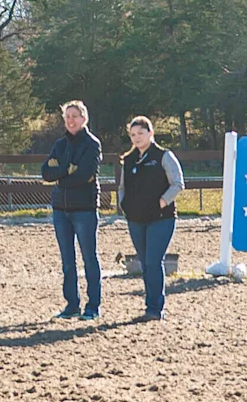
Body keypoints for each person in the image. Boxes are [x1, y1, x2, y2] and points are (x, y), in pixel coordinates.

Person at [40, 100, 102, 320]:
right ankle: (71, 304)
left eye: (74, 116)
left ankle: (93, 306)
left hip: (84, 209)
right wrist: (67, 170)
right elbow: (46, 172)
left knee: (89, 258)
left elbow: (84, 174)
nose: (70, 120)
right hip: (60, 210)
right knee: (67, 260)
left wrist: (61, 175)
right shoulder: (60, 144)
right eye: (67, 116)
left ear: (83, 118)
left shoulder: (92, 144)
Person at [118, 116, 183, 323]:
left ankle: (155, 308)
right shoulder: (128, 160)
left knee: (154, 261)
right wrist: (124, 206)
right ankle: (149, 304)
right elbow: (122, 187)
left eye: (140, 133)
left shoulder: (164, 156)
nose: (137, 138)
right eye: (133, 135)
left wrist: (161, 202)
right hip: (136, 219)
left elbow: (178, 183)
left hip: (160, 219)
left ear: (150, 133)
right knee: (145, 263)